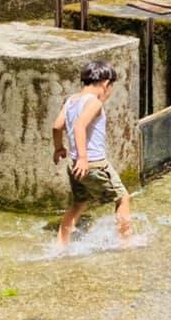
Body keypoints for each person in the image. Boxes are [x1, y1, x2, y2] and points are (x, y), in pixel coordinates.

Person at [52, 60, 132, 248]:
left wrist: (59, 148)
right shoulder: (94, 103)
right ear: (105, 83)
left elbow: (57, 126)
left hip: (73, 165)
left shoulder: (71, 100)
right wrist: (83, 158)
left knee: (79, 203)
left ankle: (61, 246)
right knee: (122, 197)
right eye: (110, 87)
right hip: (93, 163)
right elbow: (80, 125)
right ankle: (126, 242)